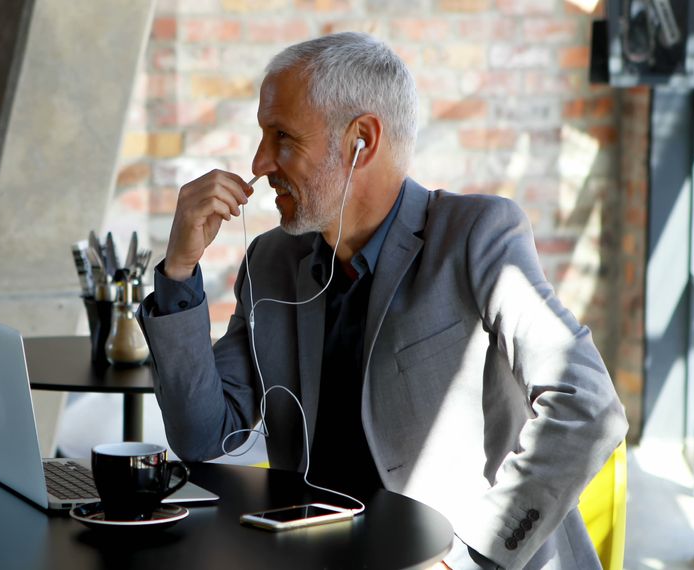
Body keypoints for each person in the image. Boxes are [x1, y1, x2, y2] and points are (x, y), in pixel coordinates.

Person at [137, 32, 628, 570]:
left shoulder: (476, 236)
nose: (258, 162)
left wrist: (470, 559)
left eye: (282, 137)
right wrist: (180, 270)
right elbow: (202, 436)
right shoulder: (271, 263)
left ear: (361, 141)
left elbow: (588, 406)